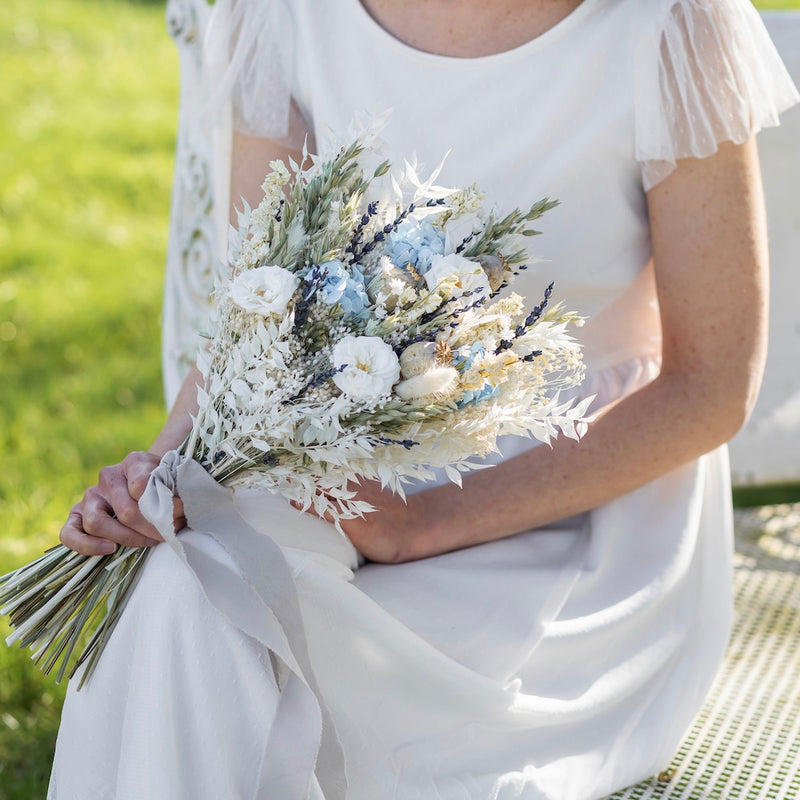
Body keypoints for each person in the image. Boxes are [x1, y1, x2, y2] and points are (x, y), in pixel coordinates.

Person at [48, 1, 799, 798]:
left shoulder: (671, 23)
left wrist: (421, 524)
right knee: (183, 593)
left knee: (352, 716)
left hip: (583, 501)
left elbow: (710, 386)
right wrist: (160, 473)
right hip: (340, 455)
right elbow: (260, 312)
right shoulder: (283, 11)